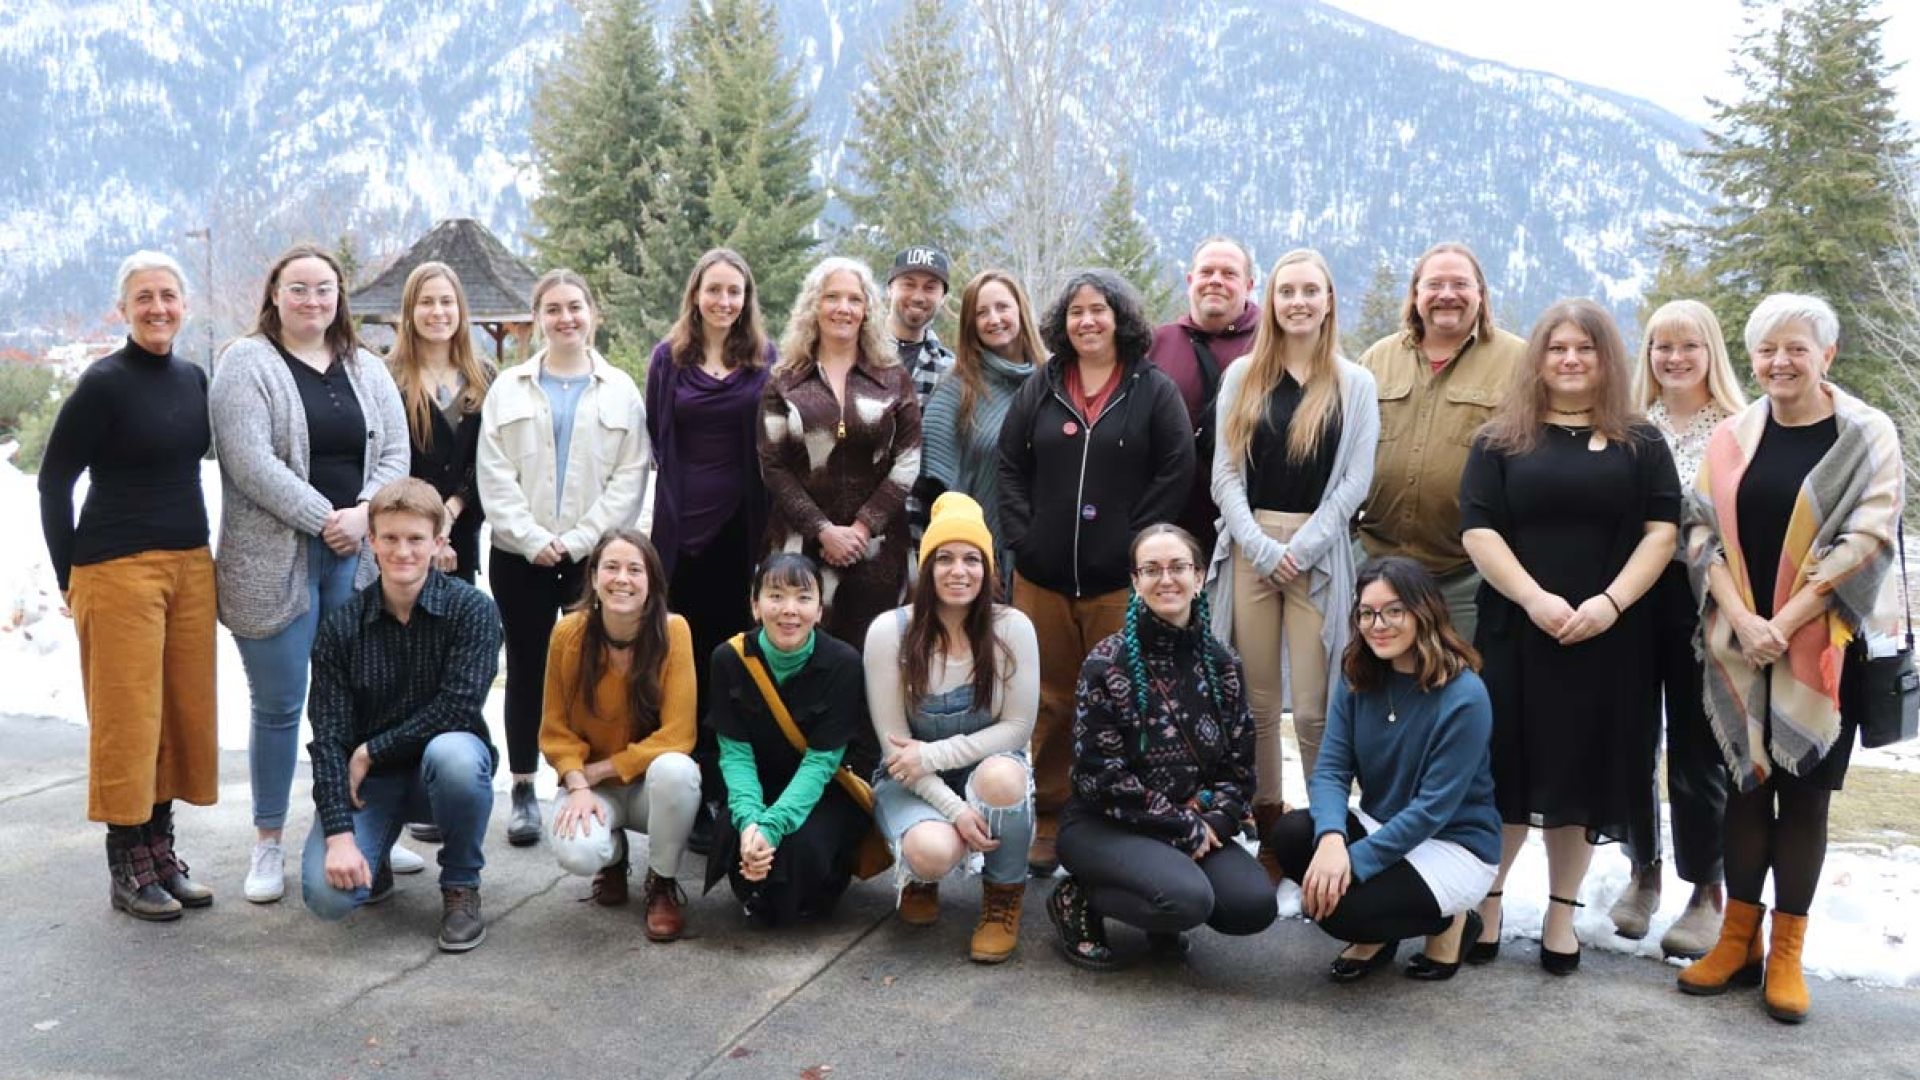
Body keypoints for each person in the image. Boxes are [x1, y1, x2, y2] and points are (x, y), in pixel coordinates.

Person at [1677, 293, 1903, 1024]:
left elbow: (1866, 540)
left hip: (1821, 651)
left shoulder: (1866, 434)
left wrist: (1785, 620)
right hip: (1739, 645)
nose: (1781, 362)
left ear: (1826, 355)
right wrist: (1744, 619)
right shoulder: (1733, 437)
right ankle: (1736, 939)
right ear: (1752, 359)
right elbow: (1699, 533)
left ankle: (1785, 953)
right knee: (1745, 788)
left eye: (1797, 348)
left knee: (1804, 797)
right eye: (1768, 350)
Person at [1458, 298, 1681, 974]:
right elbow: (1478, 529)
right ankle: (1489, 903)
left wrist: (1611, 604)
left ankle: (1562, 913)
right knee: (1507, 772)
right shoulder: (1501, 440)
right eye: (1558, 348)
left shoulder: (1640, 441)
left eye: (1585, 348)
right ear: (1539, 358)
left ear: (1606, 357)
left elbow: (1662, 532)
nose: (1571, 359)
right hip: (1518, 632)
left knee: (1579, 775)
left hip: (1608, 640)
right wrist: (1534, 599)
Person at [210, 244, 410, 904]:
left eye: (323, 289)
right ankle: (268, 839)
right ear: (274, 295)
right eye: (298, 289)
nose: (312, 301)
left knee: (358, 697)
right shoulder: (245, 365)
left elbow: (396, 453)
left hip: (354, 561)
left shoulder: (365, 367)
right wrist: (326, 515)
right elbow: (249, 461)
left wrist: (362, 518)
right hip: (272, 564)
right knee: (280, 704)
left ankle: (361, 825)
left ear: (339, 297)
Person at [997, 268, 1195, 875]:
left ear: (1120, 319)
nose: (1087, 321)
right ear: (1063, 322)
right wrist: (1024, 541)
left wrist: (1134, 549)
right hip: (1043, 577)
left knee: (1122, 699)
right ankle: (1052, 818)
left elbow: (1176, 469)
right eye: (1077, 311)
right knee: (1051, 702)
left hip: (1116, 582)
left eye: (1099, 310)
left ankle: (1116, 818)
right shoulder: (1043, 385)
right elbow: (1009, 465)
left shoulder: (1152, 389)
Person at [38, 251, 217, 921]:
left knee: (177, 711)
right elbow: (55, 481)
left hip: (190, 565)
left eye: (168, 295)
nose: (158, 308)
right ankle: (126, 860)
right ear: (123, 308)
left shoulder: (194, 378)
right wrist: (68, 576)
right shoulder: (103, 384)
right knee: (127, 718)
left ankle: (161, 850)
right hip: (116, 568)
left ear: (184, 304)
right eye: (143, 297)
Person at [1204, 249, 1379, 844]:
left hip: (1319, 554)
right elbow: (1224, 475)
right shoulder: (1242, 378)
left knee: (1313, 709)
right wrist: (1256, 544)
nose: (1299, 302)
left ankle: (1326, 829)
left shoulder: (1354, 385)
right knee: (1254, 707)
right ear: (1270, 302)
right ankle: (1268, 824)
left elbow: (1356, 481)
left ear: (1329, 300)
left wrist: (1302, 549)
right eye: (1287, 292)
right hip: (1250, 549)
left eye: (1311, 291)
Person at [1047, 524, 1276, 969]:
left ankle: (1161, 898)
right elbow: (1101, 778)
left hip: (1193, 820)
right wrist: (1183, 827)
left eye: (1178, 567)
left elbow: (1240, 768)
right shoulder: (1106, 663)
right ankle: (1079, 897)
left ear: (1199, 576)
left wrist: (1213, 820)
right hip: (1105, 824)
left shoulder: (1222, 662)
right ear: (1135, 581)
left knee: (1252, 906)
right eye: (1151, 569)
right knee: (1186, 900)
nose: (1166, 579)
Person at [478, 269, 651, 848]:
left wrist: (581, 542)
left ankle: (589, 783)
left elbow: (630, 478)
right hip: (519, 555)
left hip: (591, 559)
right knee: (527, 670)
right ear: (538, 318)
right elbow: (494, 475)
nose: (566, 318)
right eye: (553, 309)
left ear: (593, 314)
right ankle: (524, 787)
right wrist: (532, 539)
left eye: (575, 307)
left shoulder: (621, 390)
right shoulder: (509, 388)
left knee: (595, 668)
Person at [1266, 557, 1501, 982]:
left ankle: (1451, 922)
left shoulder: (1464, 695)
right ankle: (1379, 932)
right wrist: (1333, 839)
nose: (1379, 624)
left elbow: (1433, 809)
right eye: (1367, 613)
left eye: (1394, 611)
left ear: (1422, 612)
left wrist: (1351, 863)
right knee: (1292, 835)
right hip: (1382, 823)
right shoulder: (1359, 674)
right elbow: (1332, 770)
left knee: (1341, 912)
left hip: (1453, 845)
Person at [300, 479, 503, 952]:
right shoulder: (342, 626)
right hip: (374, 786)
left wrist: (373, 749)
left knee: (454, 754)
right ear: (371, 541)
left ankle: (460, 885)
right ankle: (376, 855)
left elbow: (458, 706)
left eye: (415, 539)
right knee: (328, 896)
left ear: (438, 543)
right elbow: (327, 736)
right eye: (389, 538)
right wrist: (339, 836)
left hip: (445, 771)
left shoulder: (472, 610)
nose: (402, 551)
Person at [1608, 300, 1746, 955]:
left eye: (1688, 345)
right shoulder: (1632, 425)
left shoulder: (1741, 428)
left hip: (1705, 609)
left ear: (1710, 352)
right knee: (1632, 743)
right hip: (1635, 602)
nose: (1674, 357)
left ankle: (1705, 890)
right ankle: (1644, 872)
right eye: (1662, 345)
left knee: (1698, 753)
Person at [865, 493, 1041, 963]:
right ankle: (920, 878)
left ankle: (1003, 896)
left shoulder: (1013, 628)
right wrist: (955, 810)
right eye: (943, 558)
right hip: (910, 778)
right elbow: (895, 750)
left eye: (971, 559)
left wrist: (936, 755)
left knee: (1003, 776)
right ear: (925, 568)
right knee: (932, 851)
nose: (957, 571)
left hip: (982, 770)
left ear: (988, 567)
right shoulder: (889, 632)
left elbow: (1018, 728)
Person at [645, 248, 775, 845]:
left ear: (747, 300)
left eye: (735, 292)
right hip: (680, 535)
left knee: (734, 664)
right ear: (695, 293)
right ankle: (685, 787)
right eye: (714, 290)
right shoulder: (667, 361)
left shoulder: (765, 362)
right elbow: (654, 438)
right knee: (682, 661)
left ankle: (729, 790)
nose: (725, 301)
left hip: (741, 532)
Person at [1356, 242, 1527, 640]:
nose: (1446, 294)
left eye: (1460, 284)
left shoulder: (1519, 362)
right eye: (1434, 284)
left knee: (1461, 686)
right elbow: (1342, 454)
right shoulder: (1377, 360)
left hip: (1467, 575)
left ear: (1480, 294)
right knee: (1375, 686)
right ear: (1416, 295)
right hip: (1376, 565)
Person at [541, 530, 701, 942]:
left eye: (635, 569)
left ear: (652, 582)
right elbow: (554, 728)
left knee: (678, 771)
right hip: (594, 788)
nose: (622, 579)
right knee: (577, 851)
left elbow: (678, 734)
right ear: (594, 577)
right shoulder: (568, 634)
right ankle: (612, 859)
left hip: (649, 785)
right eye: (611, 567)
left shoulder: (674, 631)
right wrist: (577, 782)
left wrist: (602, 770)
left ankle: (662, 883)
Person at [759, 256, 921, 656]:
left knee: (876, 660)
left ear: (867, 310)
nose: (843, 308)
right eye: (832, 297)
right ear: (815, 305)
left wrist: (863, 529)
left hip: (879, 552)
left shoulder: (891, 377)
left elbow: (908, 459)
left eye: (854, 299)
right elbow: (773, 465)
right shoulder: (785, 379)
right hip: (801, 550)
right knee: (802, 659)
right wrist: (823, 531)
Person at [703, 553, 875, 925]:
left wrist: (772, 826)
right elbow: (735, 755)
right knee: (736, 839)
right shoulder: (728, 659)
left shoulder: (843, 663)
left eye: (803, 597)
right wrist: (750, 821)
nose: (789, 610)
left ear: (820, 609)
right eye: (775, 596)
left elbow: (821, 761)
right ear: (754, 605)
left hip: (822, 787)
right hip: (758, 784)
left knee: (802, 852)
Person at [914, 268, 1046, 581]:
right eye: (981, 312)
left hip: (1051, 550)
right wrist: (975, 555)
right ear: (970, 324)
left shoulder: (1054, 381)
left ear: (1021, 309)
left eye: (1002, 307)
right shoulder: (956, 389)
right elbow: (937, 491)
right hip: (981, 558)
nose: (994, 318)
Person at [1148, 236, 1261, 550]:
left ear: (1249, 284)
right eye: (1206, 272)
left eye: (1229, 274)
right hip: (1171, 521)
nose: (1216, 281)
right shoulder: (1157, 344)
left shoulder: (1273, 344)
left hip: (1251, 524)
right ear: (1190, 281)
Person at [387, 261, 495, 585]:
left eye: (446, 301)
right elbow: (389, 459)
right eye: (426, 302)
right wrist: (427, 528)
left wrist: (448, 516)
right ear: (410, 311)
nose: (438, 311)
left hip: (462, 532)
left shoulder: (484, 376)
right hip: (402, 536)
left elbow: (490, 458)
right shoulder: (388, 377)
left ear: (460, 309)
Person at [887, 245, 955, 409]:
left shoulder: (949, 370)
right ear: (889, 289)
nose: (918, 297)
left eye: (930, 288)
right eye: (908, 285)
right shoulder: (855, 348)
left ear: (943, 298)